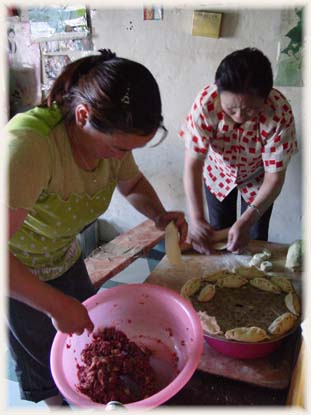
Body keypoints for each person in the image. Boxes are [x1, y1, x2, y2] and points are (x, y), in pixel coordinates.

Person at [6, 49, 187, 407]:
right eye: (118, 147)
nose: (121, 157)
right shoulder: (29, 148)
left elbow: (132, 185)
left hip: (64, 256)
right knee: (44, 367)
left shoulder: (114, 137)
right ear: (83, 115)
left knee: (89, 345)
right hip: (19, 271)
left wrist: (160, 216)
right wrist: (54, 304)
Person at [180, 47, 297, 254]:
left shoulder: (279, 112)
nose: (240, 116)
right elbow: (193, 164)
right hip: (217, 173)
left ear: (265, 96)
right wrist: (197, 219)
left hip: (258, 178)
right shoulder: (206, 103)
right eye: (231, 109)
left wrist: (248, 219)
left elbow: (274, 178)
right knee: (215, 233)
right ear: (218, 90)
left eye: (250, 109)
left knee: (254, 237)